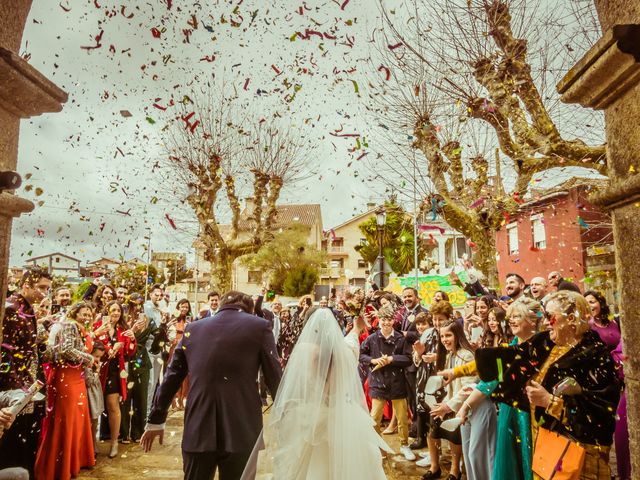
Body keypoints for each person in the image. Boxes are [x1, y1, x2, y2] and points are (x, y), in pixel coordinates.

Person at [477, 291, 620, 479]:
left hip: (580, 455)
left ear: (570, 319)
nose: (544, 322)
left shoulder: (595, 355)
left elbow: (602, 413)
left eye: (550, 317)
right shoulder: (546, 343)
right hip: (547, 445)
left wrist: (549, 402)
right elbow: (511, 359)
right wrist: (456, 372)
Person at [141, 291, 282, 480]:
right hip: (242, 427)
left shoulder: (193, 328)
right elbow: (275, 377)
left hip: (198, 425)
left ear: (221, 304)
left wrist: (156, 420)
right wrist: (286, 418)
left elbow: (171, 377)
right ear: (249, 310)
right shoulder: (260, 326)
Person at [243, 308, 391, 479]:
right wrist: (356, 330)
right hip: (341, 415)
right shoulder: (344, 353)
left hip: (310, 414)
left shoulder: (304, 351)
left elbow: (295, 382)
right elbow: (352, 346)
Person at [35, 302, 96, 479]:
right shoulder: (69, 324)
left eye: (89, 314)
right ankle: (61, 466)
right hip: (67, 378)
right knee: (67, 419)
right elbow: (67, 350)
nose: (87, 317)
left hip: (77, 378)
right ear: (74, 313)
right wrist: (89, 358)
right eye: (83, 313)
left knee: (77, 418)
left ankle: (74, 461)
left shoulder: (78, 327)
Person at [0, 267, 51, 477]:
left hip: (27, 386)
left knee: (27, 448)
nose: (44, 293)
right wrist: (20, 391)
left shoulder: (29, 308)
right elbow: (6, 353)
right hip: (12, 391)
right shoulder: (11, 308)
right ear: (26, 285)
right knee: (14, 450)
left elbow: (26, 348)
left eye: (47, 289)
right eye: (41, 288)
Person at [360, 305, 415, 461]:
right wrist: (374, 360)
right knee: (374, 417)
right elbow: (362, 355)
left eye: (389, 319)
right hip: (378, 382)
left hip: (397, 382)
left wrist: (392, 359)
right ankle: (378, 446)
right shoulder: (371, 339)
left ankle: (404, 445)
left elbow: (408, 359)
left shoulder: (401, 338)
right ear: (379, 321)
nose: (386, 322)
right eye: (383, 319)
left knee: (402, 418)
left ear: (393, 321)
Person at [427, 320, 475, 480]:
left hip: (462, 406)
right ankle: (434, 467)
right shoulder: (449, 355)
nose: (444, 339)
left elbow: (468, 388)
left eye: (448, 335)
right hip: (449, 401)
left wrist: (448, 406)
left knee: (455, 435)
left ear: (457, 335)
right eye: (442, 336)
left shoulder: (467, 356)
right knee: (432, 427)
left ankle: (455, 470)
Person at [93, 300, 137, 458]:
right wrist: (106, 347)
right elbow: (90, 344)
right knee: (94, 408)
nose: (116, 313)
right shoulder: (98, 325)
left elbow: (130, 352)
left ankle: (114, 442)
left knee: (113, 406)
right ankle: (92, 443)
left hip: (115, 372)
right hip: (96, 371)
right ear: (107, 311)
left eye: (118, 310)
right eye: (113, 310)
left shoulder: (123, 329)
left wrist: (132, 340)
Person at [168, 299, 192, 410]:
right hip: (174, 349)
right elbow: (167, 335)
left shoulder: (191, 321)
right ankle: (175, 399)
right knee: (174, 373)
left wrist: (191, 326)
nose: (184, 309)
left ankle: (184, 398)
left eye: (186, 307)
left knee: (186, 375)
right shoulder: (172, 319)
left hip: (186, 349)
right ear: (178, 307)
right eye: (182, 306)